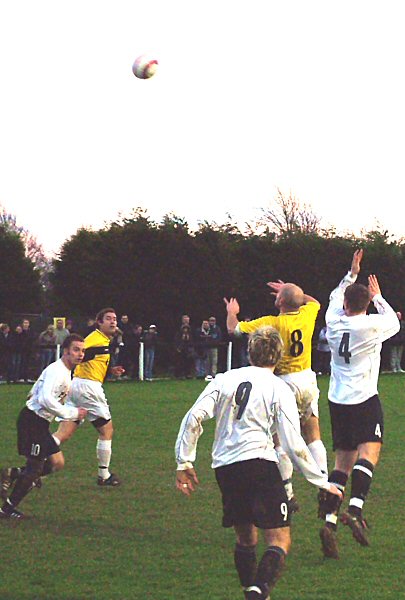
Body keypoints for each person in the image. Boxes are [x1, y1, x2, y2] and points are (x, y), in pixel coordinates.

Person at [175, 326, 342, 600]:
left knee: (246, 539)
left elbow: (193, 418)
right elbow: (292, 442)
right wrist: (321, 481)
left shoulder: (224, 379)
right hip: (260, 466)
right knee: (279, 540)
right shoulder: (279, 387)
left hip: (225, 468)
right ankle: (259, 591)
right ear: (278, 356)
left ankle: (248, 590)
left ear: (250, 352)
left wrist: (184, 461)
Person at [318, 249, 400, 559]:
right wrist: (378, 296)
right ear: (365, 304)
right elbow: (393, 322)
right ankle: (355, 508)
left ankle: (329, 522)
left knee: (341, 464)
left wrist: (352, 273)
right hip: (364, 398)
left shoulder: (333, 319)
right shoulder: (371, 325)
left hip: (337, 400)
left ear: (344, 304)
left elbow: (335, 295)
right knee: (370, 452)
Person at [224, 280, 328, 512]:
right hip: (307, 379)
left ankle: (289, 494)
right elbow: (314, 302)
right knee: (313, 432)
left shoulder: (272, 323)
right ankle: (324, 484)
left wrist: (232, 313)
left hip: (284, 383)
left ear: (280, 301)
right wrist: (292, 291)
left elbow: (234, 329)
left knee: (278, 439)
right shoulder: (308, 314)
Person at [0, 334, 86, 519]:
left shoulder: (64, 371)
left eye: (83, 350)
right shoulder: (58, 371)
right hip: (32, 422)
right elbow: (46, 399)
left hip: (39, 422)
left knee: (57, 463)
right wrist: (71, 414)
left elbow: (39, 393)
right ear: (66, 351)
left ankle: (10, 473)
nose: (80, 354)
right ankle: (6, 509)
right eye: (76, 350)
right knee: (35, 469)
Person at [54, 308, 125, 486]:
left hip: (77, 386)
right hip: (88, 388)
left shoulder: (102, 340)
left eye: (115, 319)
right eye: (108, 319)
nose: (113, 322)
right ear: (99, 322)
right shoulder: (95, 339)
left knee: (64, 433)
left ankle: (36, 461)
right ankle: (104, 475)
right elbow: (80, 356)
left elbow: (92, 360)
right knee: (106, 431)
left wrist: (110, 370)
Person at [20, 319, 35, 383]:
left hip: (29, 350)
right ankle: (21, 377)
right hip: (21, 350)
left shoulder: (31, 332)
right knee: (22, 363)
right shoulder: (20, 331)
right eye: (24, 323)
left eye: (27, 323)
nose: (26, 324)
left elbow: (32, 339)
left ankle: (27, 377)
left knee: (28, 364)